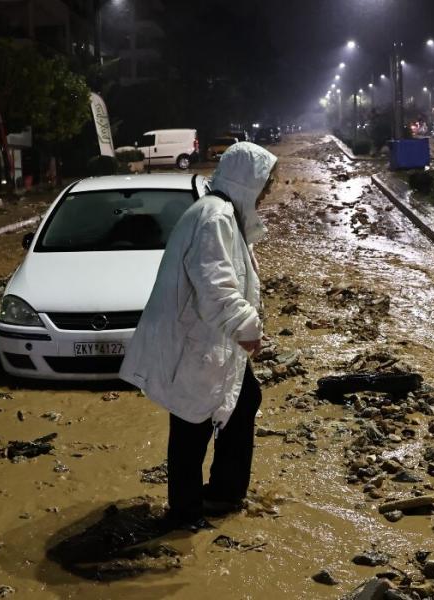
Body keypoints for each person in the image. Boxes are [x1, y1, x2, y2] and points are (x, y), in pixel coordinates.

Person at [120, 142, 277, 531]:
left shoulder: (220, 214)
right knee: (192, 425)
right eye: (265, 183)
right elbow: (216, 286)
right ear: (247, 182)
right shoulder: (216, 219)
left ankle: (222, 493)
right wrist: (247, 327)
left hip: (207, 339)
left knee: (239, 402)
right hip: (199, 342)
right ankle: (186, 512)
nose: (269, 191)